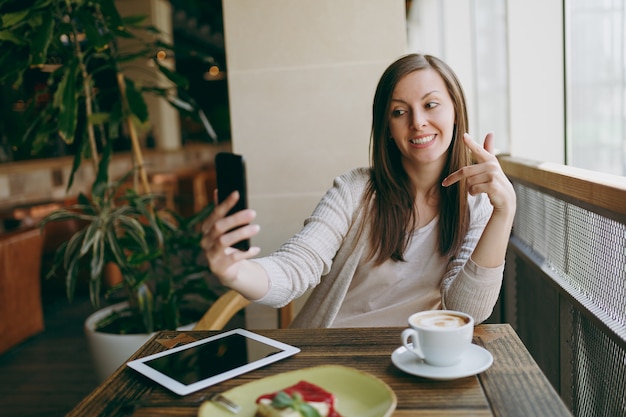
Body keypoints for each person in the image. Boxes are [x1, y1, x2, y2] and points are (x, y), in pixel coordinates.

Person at [201, 53, 516, 328]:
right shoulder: (355, 191)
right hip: (326, 357)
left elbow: (466, 310)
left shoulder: (477, 204)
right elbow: (295, 268)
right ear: (388, 128)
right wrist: (236, 271)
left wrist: (504, 212)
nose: (418, 122)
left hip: (413, 365)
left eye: (431, 105)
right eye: (399, 111)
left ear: (456, 112)